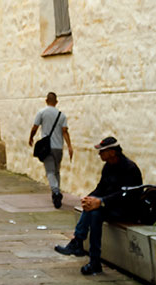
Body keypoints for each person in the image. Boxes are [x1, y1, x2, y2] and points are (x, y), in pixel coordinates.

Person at [54, 135, 143, 274]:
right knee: (92, 209)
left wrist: (101, 202)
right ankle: (86, 252)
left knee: (96, 212)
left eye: (102, 151)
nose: (99, 154)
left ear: (112, 152)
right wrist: (90, 198)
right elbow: (101, 188)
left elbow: (125, 195)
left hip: (126, 209)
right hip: (111, 205)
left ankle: (85, 250)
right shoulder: (108, 167)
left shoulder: (129, 168)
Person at [28, 91, 74, 208]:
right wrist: (69, 146)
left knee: (49, 171)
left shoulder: (41, 113)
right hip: (58, 147)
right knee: (57, 171)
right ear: (56, 102)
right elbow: (65, 131)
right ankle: (56, 192)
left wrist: (31, 137)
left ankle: (56, 192)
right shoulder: (61, 115)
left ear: (46, 101)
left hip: (47, 147)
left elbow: (35, 127)